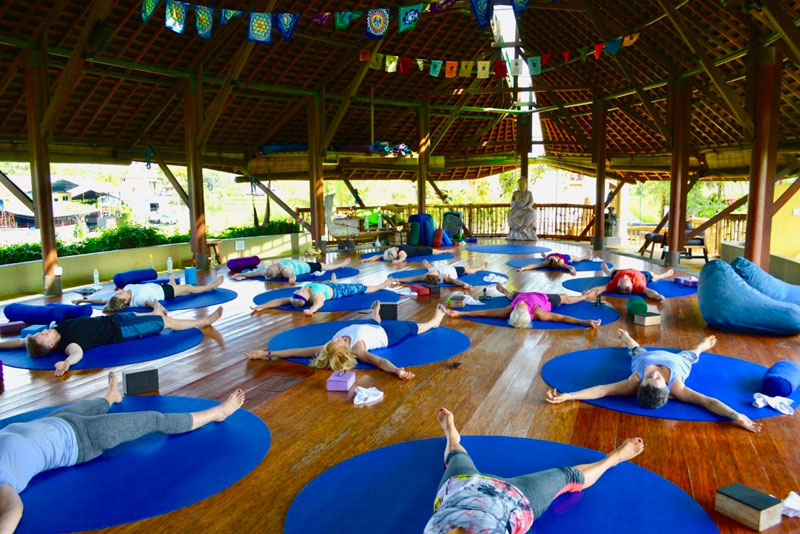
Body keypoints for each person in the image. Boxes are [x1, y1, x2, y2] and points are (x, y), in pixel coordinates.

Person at [0, 372, 244, 534]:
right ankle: (217, 413)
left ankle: (111, 395)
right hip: (82, 438)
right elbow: (13, 510)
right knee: (152, 419)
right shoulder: (3, 484)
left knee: (89, 405)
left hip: (57, 420)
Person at [424, 407, 644, 534]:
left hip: (462, 486)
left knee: (455, 453)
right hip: (513, 499)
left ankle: (451, 434)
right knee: (568, 476)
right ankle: (613, 459)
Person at [545, 329, 762, 433]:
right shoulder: (678, 388)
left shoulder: (634, 382)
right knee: (693, 353)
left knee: (634, 348)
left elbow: (602, 390)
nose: (655, 375)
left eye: (650, 378)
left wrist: (569, 396)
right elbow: (708, 401)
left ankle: (626, 337)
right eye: (656, 378)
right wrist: (736, 415)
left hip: (641, 355)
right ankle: (702, 345)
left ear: (641, 385)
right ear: (668, 391)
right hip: (680, 360)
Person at [0, 303, 223, 376]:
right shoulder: (69, 343)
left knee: (150, 316)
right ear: (50, 345)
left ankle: (156, 310)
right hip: (122, 330)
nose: (43, 331)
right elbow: (77, 354)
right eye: (43, 335)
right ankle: (202, 322)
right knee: (167, 324)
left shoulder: (56, 328)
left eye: (41, 332)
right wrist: (67, 363)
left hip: (116, 318)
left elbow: (21, 342)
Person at [244, 302, 447, 379]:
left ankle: (376, 313)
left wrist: (266, 354)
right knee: (412, 326)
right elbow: (379, 362)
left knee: (371, 320)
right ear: (345, 350)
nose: (338, 338)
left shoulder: (330, 346)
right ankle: (434, 321)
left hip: (369, 326)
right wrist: (397, 371)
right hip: (387, 335)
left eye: (337, 339)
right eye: (340, 341)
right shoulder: (358, 349)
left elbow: (296, 351)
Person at [446, 283, 601, 329]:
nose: (520, 305)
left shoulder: (511, 309)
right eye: (521, 307)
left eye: (517, 307)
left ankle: (505, 290)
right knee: (566, 298)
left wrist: (460, 314)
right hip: (544, 298)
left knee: (512, 296)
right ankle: (585, 296)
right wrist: (585, 322)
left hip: (521, 294)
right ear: (527, 312)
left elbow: (485, 313)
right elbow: (561, 317)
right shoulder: (539, 312)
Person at [250, 275, 400, 317]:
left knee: (329, 283)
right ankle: (383, 285)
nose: (296, 291)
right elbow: (319, 304)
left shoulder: (301, 293)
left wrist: (262, 306)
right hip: (339, 290)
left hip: (329, 285)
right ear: (304, 296)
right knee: (361, 288)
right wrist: (312, 311)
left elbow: (277, 301)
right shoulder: (317, 296)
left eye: (296, 291)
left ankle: (333, 281)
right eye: (298, 292)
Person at [73, 274, 224, 313]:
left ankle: (172, 281)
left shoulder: (126, 287)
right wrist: (160, 308)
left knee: (175, 283)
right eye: (119, 294)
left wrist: (84, 301)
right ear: (126, 301)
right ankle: (211, 286)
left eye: (118, 292)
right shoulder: (138, 299)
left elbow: (102, 301)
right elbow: (150, 303)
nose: (118, 291)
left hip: (158, 286)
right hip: (165, 292)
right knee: (189, 288)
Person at [583, 264, 674, 302]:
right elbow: (649, 292)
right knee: (653, 276)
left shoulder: (615, 283)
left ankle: (607, 271)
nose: (624, 276)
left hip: (620, 271)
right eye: (624, 279)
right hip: (642, 275)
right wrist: (658, 296)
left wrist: (589, 291)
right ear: (631, 286)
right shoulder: (638, 286)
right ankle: (663, 275)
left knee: (612, 274)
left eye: (622, 279)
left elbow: (600, 288)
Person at [232, 257, 351, 284]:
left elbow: (255, 273)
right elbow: (290, 276)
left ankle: (340, 264)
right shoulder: (284, 270)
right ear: (275, 270)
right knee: (323, 266)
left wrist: (240, 274)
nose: (269, 266)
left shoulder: (267, 270)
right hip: (307, 267)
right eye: (270, 267)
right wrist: (292, 279)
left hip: (299, 262)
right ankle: (341, 264)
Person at [399, 260, 488, 290]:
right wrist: (464, 284)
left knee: (429, 266)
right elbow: (455, 281)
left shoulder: (427, 276)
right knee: (468, 270)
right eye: (432, 272)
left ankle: (426, 264)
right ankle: (480, 268)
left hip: (445, 267)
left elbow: (413, 279)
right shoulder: (445, 277)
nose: (431, 271)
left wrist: (398, 280)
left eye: (429, 272)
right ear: (437, 276)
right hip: (454, 270)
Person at [515, 251, 595, 276]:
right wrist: (573, 271)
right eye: (551, 257)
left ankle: (585, 257)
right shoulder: (560, 263)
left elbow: (534, 266)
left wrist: (523, 268)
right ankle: (585, 257)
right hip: (567, 257)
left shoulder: (547, 261)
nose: (553, 257)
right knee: (577, 259)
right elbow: (571, 267)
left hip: (562, 257)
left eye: (551, 257)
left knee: (579, 258)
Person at [362, 245, 453, 265]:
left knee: (431, 251)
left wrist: (398, 261)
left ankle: (446, 251)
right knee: (430, 250)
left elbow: (403, 257)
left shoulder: (399, 252)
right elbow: (378, 256)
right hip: (414, 250)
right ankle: (446, 251)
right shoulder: (395, 252)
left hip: (417, 250)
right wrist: (367, 260)